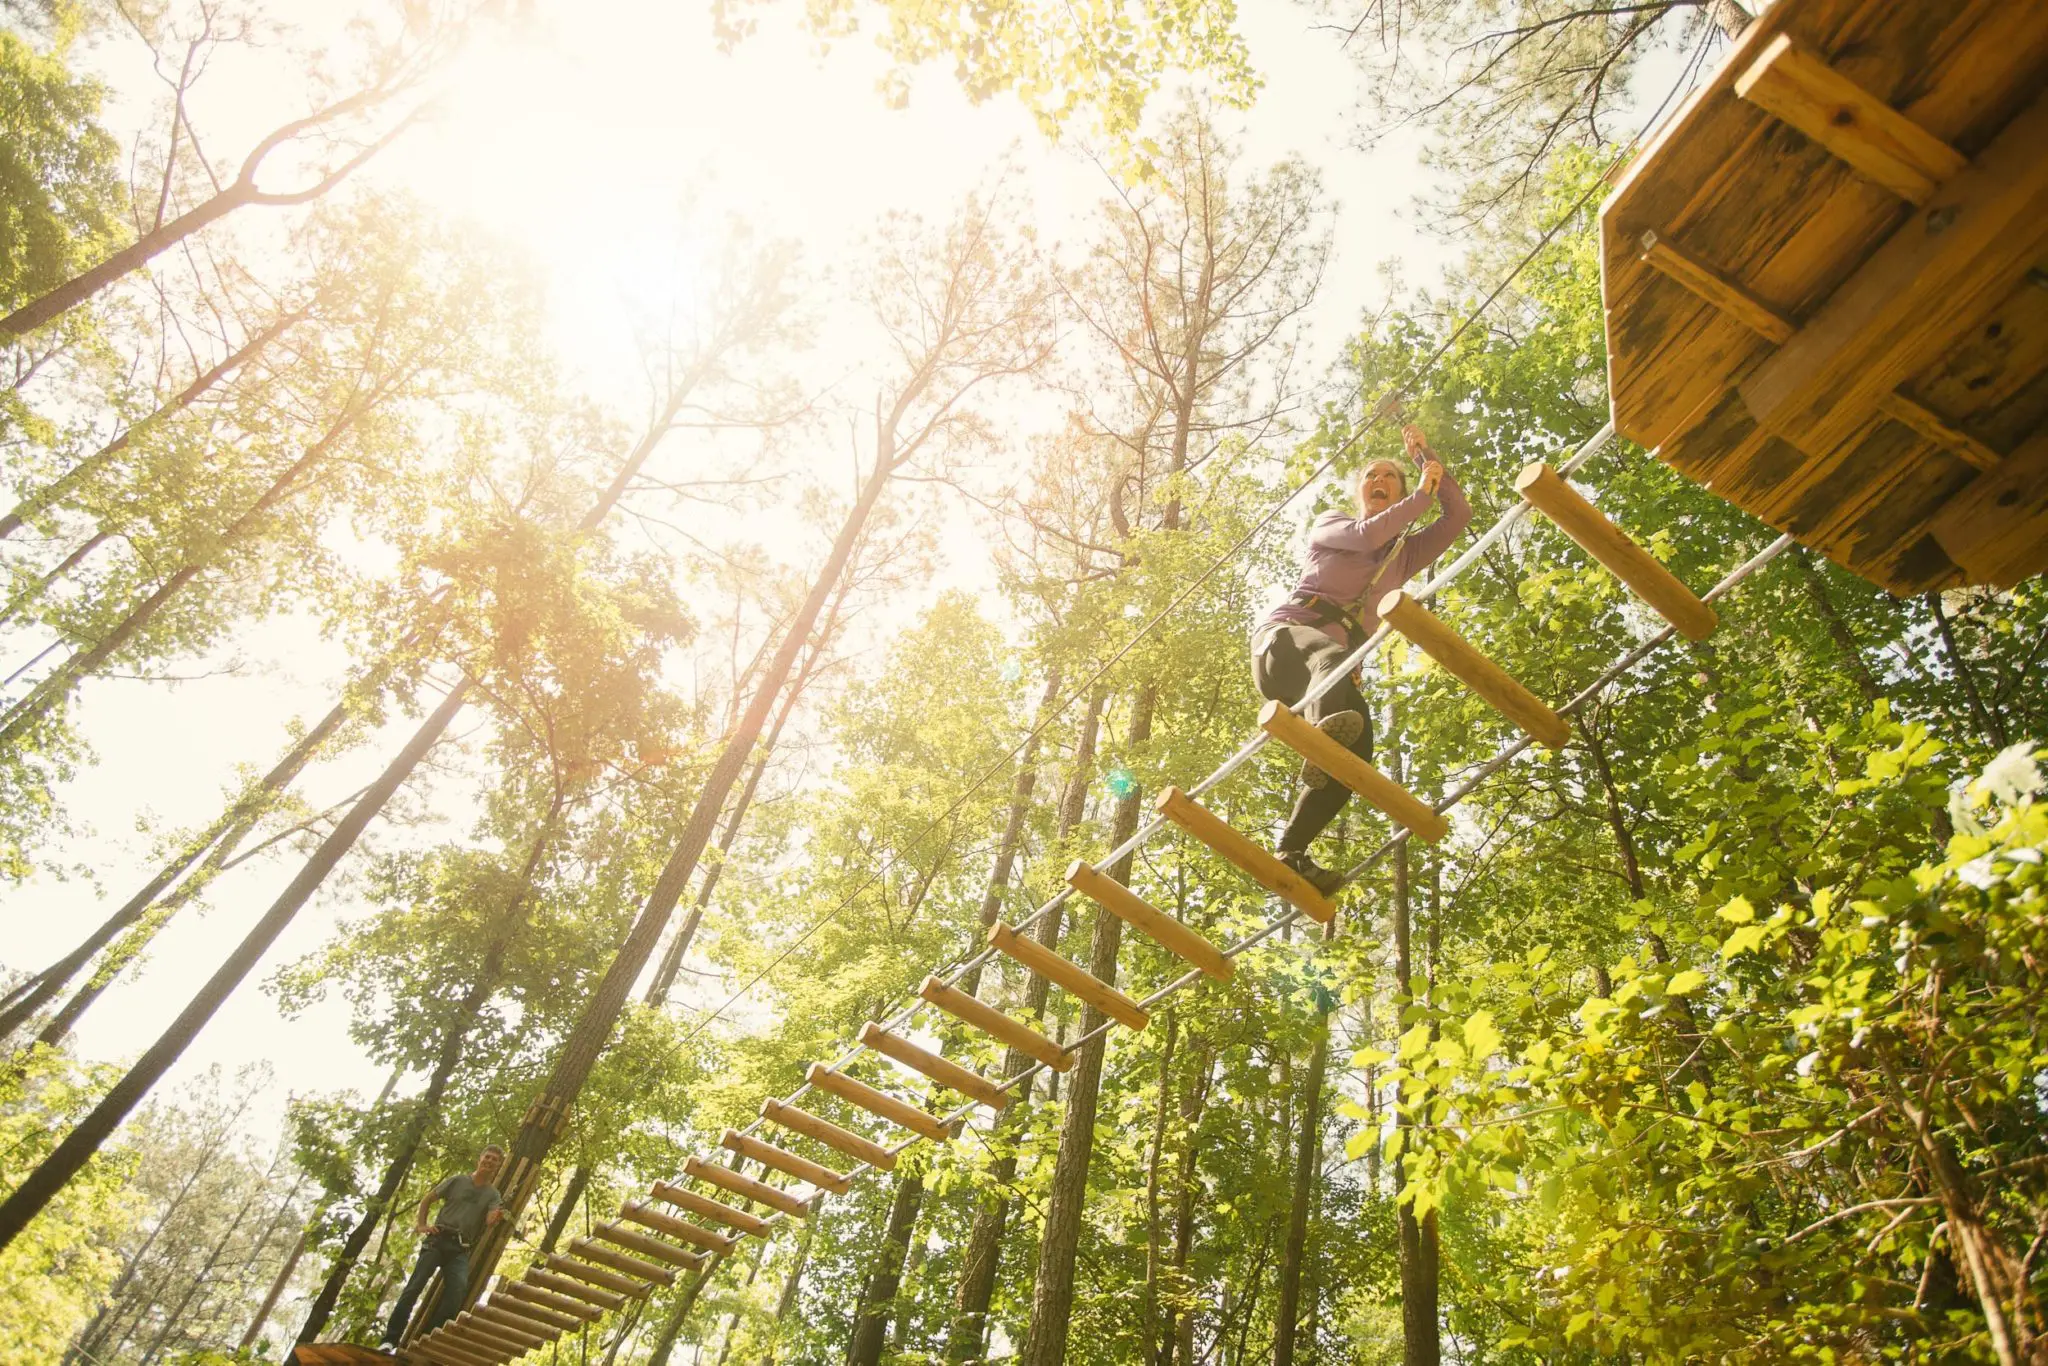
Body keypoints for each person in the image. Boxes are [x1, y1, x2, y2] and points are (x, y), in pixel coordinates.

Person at [1252, 425, 1471, 893]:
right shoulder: (1334, 526)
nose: (1379, 479)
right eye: (1371, 475)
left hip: (1327, 675)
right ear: (1360, 491)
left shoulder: (1405, 554)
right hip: (1285, 644)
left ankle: (1291, 852)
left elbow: (1459, 516)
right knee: (1329, 659)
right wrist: (1418, 499)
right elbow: (1369, 533)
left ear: (1402, 488)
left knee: (1357, 757)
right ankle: (1320, 738)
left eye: (1390, 476)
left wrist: (1425, 459)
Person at [377, 1144, 507, 1352]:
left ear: (498, 1166)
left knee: (457, 1293)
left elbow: (490, 1219)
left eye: (494, 1160)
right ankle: (390, 1340)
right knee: (413, 1288)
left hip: (460, 1248)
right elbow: (428, 1199)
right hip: (438, 1240)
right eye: (487, 1157)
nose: (489, 1162)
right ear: (480, 1159)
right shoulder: (458, 1180)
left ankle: (423, 1342)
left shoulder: (493, 1194)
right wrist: (421, 1225)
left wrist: (495, 1217)